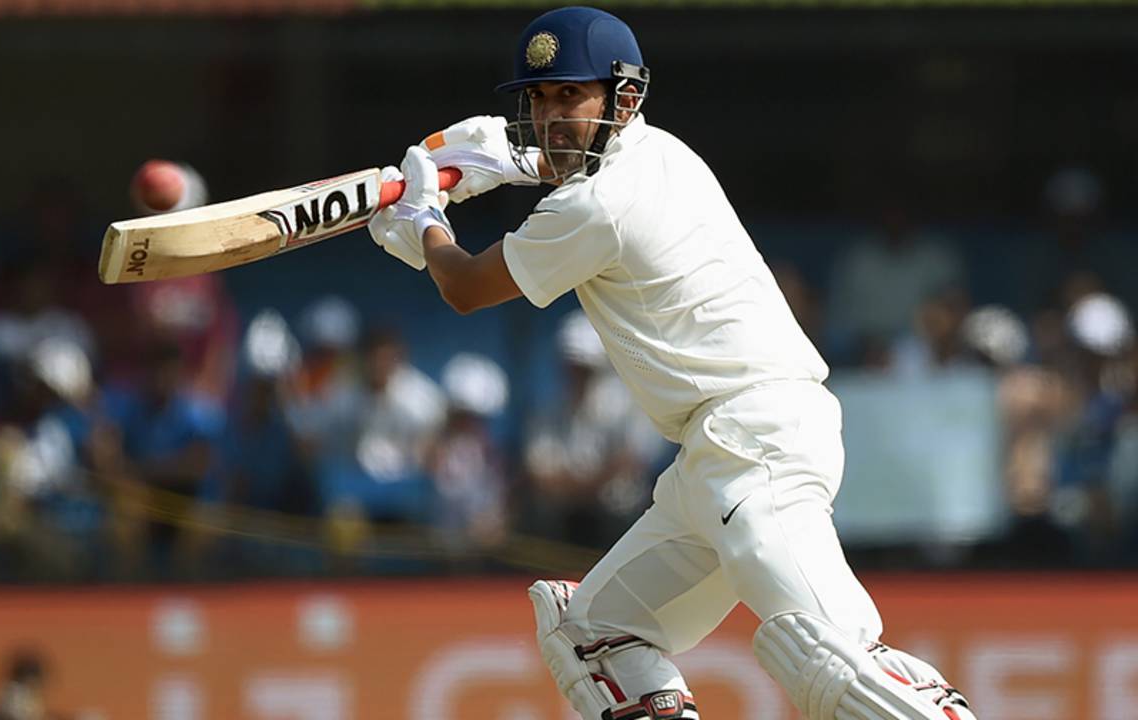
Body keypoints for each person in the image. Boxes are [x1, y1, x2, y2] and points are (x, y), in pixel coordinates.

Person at [367, 6, 976, 720]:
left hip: (754, 443)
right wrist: (504, 160)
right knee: (594, 636)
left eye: (570, 95)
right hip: (718, 455)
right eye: (538, 99)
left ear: (624, 98)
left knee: (842, 667)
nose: (551, 114)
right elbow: (574, 166)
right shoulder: (663, 152)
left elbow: (468, 286)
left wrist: (425, 222)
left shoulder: (596, 207)